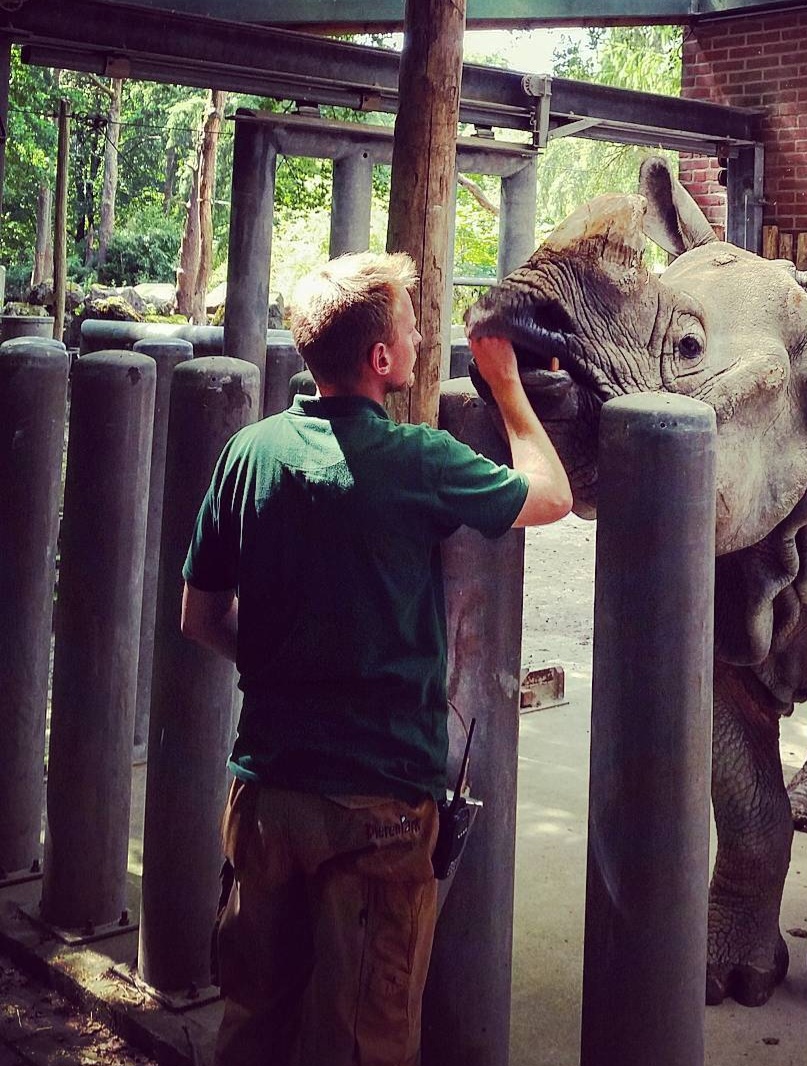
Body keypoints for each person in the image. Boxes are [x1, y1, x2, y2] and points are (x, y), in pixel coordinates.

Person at [179, 251, 572, 1066]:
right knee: (364, 1036)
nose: (424, 336)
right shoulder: (417, 460)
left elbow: (200, 615)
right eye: (412, 325)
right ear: (381, 359)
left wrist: (286, 663)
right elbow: (552, 494)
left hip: (265, 795)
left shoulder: (247, 453)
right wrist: (504, 383)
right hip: (382, 806)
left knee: (253, 1021)